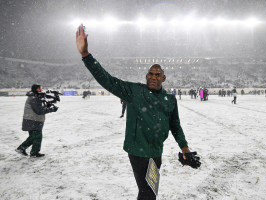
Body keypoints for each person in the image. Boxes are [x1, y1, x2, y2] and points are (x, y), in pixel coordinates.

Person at [76, 24, 195, 199]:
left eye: (157, 75)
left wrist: (184, 148)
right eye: (150, 74)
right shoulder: (134, 91)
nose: (153, 77)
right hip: (138, 151)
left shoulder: (170, 99)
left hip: (156, 152)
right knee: (148, 192)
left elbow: (175, 125)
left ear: (163, 78)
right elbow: (107, 79)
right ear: (146, 76)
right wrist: (86, 55)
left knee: (150, 190)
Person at [15, 84, 58, 157]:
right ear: (37, 89)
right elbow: (39, 111)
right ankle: (32, 152)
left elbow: (38, 108)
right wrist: (52, 109)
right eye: (41, 88)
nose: (42, 89)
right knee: (37, 137)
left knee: (34, 137)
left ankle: (25, 149)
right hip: (33, 120)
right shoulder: (34, 98)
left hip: (32, 120)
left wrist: (48, 105)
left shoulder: (35, 97)